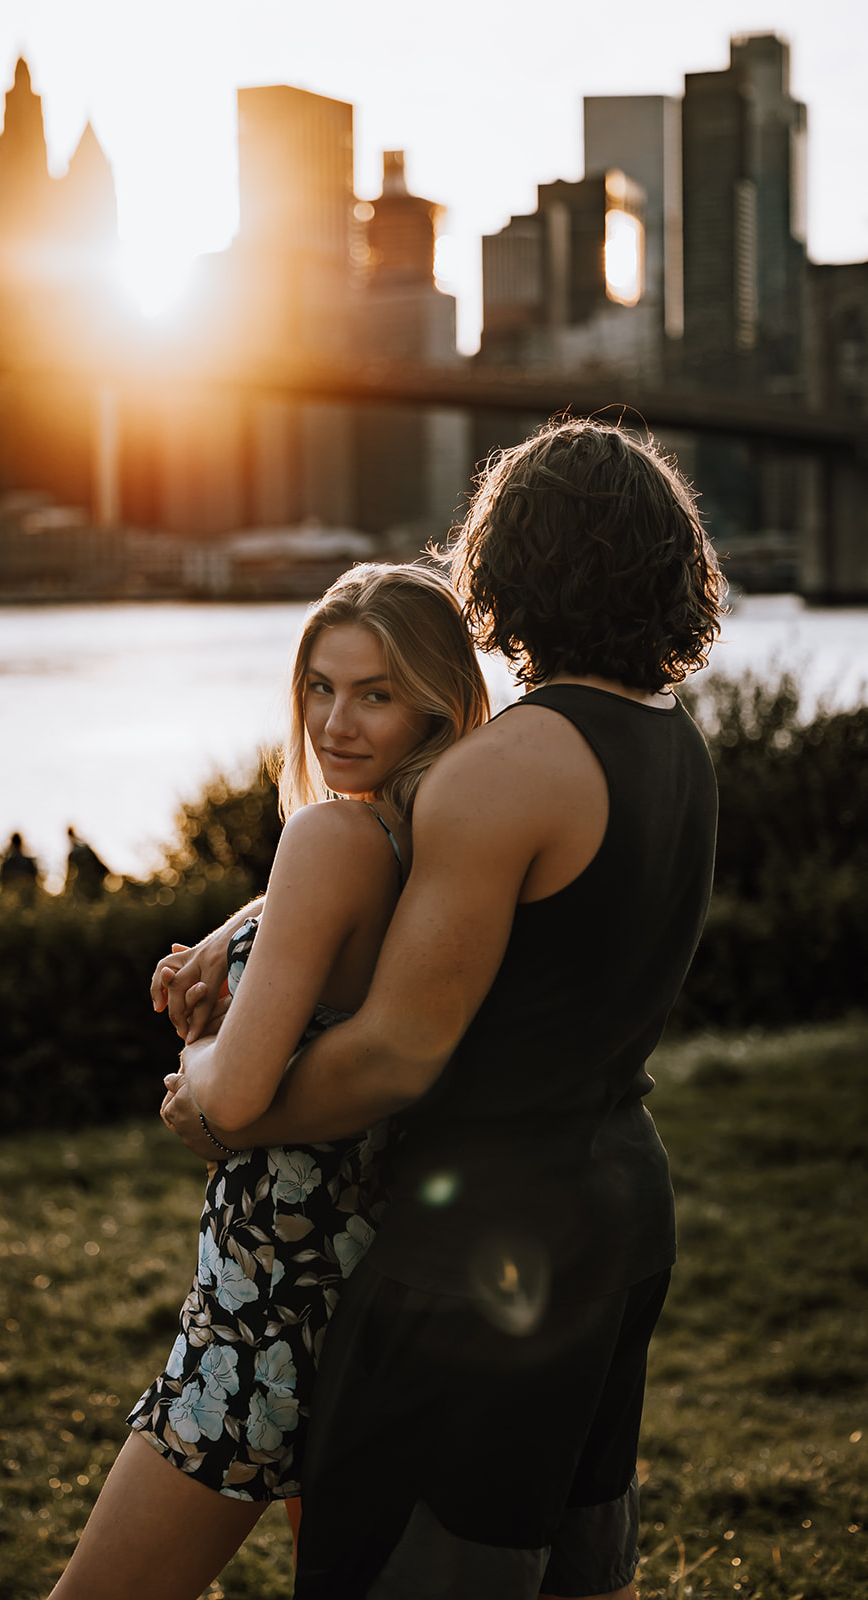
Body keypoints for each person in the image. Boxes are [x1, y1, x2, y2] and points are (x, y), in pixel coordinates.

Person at [161, 419, 723, 1600]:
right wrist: (234, 931)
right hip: (624, 1208)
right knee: (567, 1570)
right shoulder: (676, 748)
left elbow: (391, 1057)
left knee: (401, 1568)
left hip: (478, 1248)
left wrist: (223, 1111)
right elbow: (372, 860)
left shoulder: (506, 765)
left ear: (507, 562)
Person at [47, 562, 490, 1600]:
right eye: (319, 688)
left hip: (263, 1316)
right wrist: (236, 927)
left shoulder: (328, 835)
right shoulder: (430, 839)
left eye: (375, 693)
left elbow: (232, 1098)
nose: (336, 722)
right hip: (356, 1293)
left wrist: (192, 1063)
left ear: (434, 702)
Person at [65, 826, 110, 899]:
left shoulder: (73, 854)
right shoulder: (86, 848)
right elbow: (100, 864)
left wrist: (66, 889)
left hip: (84, 883)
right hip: (95, 881)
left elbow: (69, 873)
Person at [0, 831, 40, 897]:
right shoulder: (28, 862)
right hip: (25, 897)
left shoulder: (7, 863)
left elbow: (2, 882)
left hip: (13, 897)